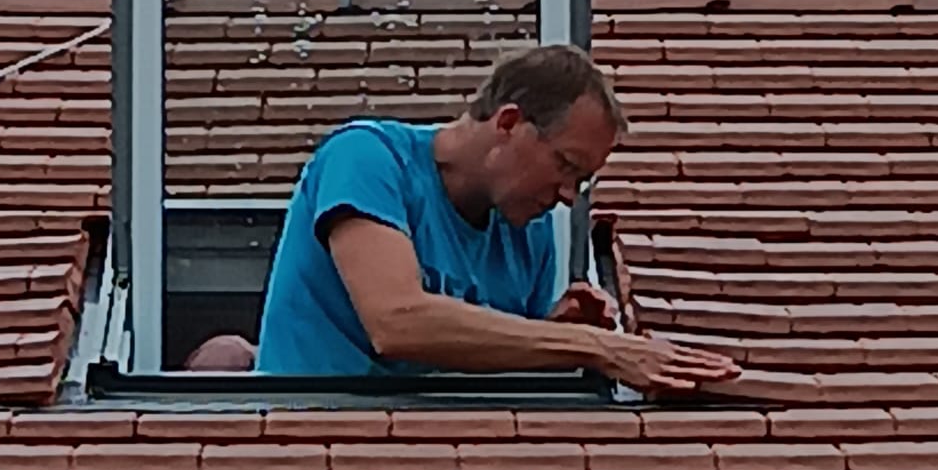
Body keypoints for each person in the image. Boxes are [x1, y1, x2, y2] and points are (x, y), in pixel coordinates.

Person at [253, 44, 740, 393]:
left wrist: (551, 331)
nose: (568, 196)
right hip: (307, 446)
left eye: (582, 181)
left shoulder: (529, 230)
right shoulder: (367, 158)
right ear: (509, 123)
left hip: (446, 460)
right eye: (566, 165)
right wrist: (588, 344)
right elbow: (396, 321)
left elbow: (497, 372)